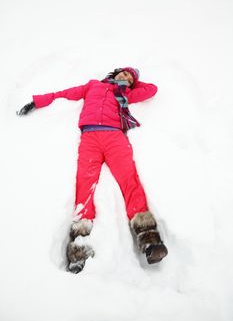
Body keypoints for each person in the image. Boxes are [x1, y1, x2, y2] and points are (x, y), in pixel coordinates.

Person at [17, 67, 168, 273]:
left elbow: (152, 89)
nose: (125, 78)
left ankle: (149, 239)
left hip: (115, 137)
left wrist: (130, 84)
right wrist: (38, 101)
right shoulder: (92, 86)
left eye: (130, 78)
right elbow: (64, 94)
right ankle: (79, 248)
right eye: (123, 74)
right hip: (90, 138)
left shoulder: (127, 94)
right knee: (85, 185)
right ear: (114, 74)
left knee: (129, 180)